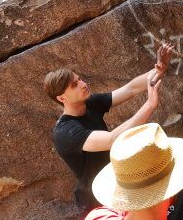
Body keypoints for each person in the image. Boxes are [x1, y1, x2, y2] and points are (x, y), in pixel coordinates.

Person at [44, 43, 174, 211]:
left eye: (79, 79)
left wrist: (159, 69)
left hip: (119, 188)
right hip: (98, 203)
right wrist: (149, 105)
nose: (83, 84)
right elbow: (112, 140)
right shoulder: (66, 132)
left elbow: (131, 89)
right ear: (62, 98)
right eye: (75, 85)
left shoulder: (89, 104)